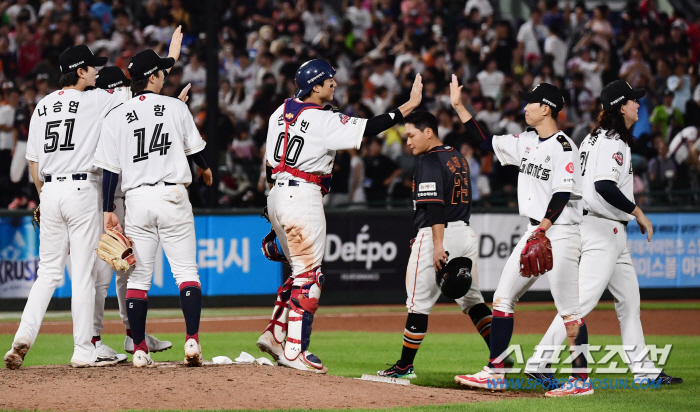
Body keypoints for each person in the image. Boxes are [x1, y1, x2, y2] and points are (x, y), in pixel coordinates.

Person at [256, 59, 422, 373]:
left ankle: (276, 334)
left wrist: (272, 201)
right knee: (310, 277)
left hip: (278, 192)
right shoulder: (321, 119)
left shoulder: (280, 112)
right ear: (315, 86)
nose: (334, 83)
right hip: (302, 195)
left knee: (297, 270)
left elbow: (268, 163)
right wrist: (407, 107)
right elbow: (369, 127)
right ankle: (295, 350)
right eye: (329, 80)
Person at [524, 80, 683, 385]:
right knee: (581, 302)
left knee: (629, 303)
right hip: (602, 229)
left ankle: (644, 371)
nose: (638, 104)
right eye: (633, 100)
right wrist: (638, 212)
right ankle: (540, 361)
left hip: (601, 227)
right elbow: (603, 185)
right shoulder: (613, 142)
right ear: (622, 106)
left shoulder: (593, 138)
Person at [450, 77, 591, 397]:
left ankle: (581, 381)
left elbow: (563, 193)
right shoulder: (526, 140)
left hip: (561, 232)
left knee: (569, 311)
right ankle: (496, 371)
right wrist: (459, 106)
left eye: (530, 102)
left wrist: (543, 226)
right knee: (502, 298)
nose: (524, 106)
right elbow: (485, 141)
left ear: (546, 109)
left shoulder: (565, 147)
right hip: (535, 230)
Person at [4, 45, 127, 369]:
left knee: (47, 274)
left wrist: (45, 199)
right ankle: (84, 350)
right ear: (80, 71)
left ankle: (22, 338)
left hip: (51, 189)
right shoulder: (95, 99)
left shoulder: (42, 105)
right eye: (92, 67)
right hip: (81, 188)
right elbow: (136, 97)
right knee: (84, 275)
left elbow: (33, 163)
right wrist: (167, 63)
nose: (97, 72)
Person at [94, 49, 213, 368]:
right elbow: (196, 150)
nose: (165, 76)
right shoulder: (176, 107)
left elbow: (110, 171)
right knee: (186, 272)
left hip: (137, 202)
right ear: (153, 77)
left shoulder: (116, 115)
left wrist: (108, 208)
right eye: (162, 72)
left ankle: (140, 349)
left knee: (138, 279)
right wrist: (204, 167)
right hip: (173, 196)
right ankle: (192, 341)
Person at [376, 111, 502, 379]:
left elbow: (434, 206)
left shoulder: (429, 161)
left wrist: (437, 244)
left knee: (417, 305)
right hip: (465, 234)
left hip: (438, 234)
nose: (408, 141)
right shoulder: (457, 156)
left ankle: (404, 367)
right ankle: (501, 356)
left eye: (411, 135)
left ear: (428, 132)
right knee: (474, 302)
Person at [90, 65, 173, 361]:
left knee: (129, 268)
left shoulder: (122, 112)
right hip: (104, 198)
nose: (129, 90)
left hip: (125, 197)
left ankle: (132, 335)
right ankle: (94, 338)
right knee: (101, 272)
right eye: (123, 86)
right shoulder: (107, 110)